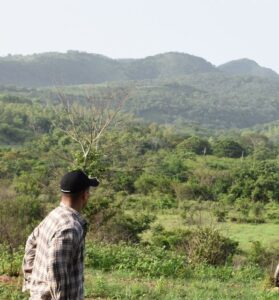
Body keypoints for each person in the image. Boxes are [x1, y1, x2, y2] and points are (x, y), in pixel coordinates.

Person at [22, 170, 99, 300]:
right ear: (85, 195)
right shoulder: (70, 226)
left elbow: (31, 242)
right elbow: (55, 269)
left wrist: (33, 283)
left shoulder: (54, 215)